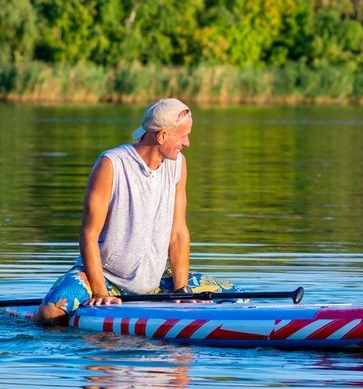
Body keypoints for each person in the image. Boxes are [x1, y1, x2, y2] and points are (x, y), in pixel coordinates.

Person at [33, 98, 231, 325]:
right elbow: (89, 234)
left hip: (156, 283)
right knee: (51, 313)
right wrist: (99, 293)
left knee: (237, 297)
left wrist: (181, 290)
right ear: (162, 135)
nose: (186, 143)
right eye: (183, 136)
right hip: (105, 280)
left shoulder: (179, 165)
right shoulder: (111, 164)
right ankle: (42, 312)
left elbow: (178, 232)